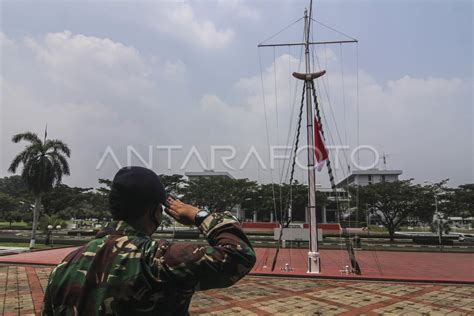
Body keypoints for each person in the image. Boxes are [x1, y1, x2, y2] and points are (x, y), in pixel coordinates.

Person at [42, 166, 256, 315]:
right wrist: (200, 215)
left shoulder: (64, 267)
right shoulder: (158, 260)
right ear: (156, 212)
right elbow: (239, 254)